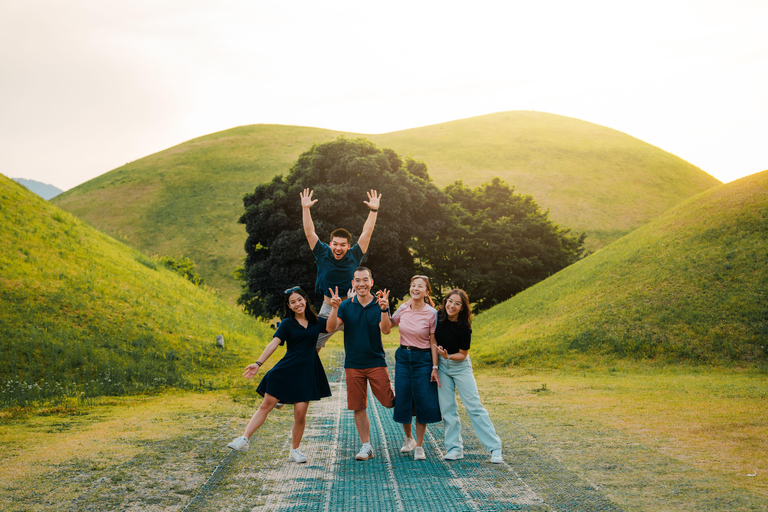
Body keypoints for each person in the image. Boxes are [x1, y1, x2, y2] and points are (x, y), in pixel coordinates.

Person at [227, 287, 332, 464]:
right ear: (289, 306)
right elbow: (274, 344)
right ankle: (244, 439)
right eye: (293, 302)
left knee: (300, 414)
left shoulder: (316, 321)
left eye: (299, 299)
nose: (297, 304)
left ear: (305, 300)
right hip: (285, 371)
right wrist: (258, 363)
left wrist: (335, 306)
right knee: (266, 405)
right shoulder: (286, 324)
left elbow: (332, 326)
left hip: (306, 374)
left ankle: (294, 451)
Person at [326, 267, 395, 461]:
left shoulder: (380, 304)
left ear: (371, 282)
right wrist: (334, 307)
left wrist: (383, 309)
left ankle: (409, 427)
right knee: (358, 406)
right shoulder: (346, 306)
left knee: (388, 401)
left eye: (365, 280)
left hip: (375, 362)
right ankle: (366, 446)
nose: (362, 283)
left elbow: (386, 330)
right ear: (353, 284)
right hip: (353, 364)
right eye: (358, 280)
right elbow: (330, 327)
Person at [301, 188, 381, 352]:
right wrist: (305, 208)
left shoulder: (355, 254)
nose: (338, 247)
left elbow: (367, 232)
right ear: (330, 244)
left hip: (351, 306)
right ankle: (308, 376)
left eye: (342, 244)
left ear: (348, 246)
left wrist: (373, 210)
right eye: (335, 244)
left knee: (364, 346)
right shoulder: (322, 252)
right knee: (311, 346)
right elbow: (309, 232)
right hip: (328, 308)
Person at [434, 289, 503, 464]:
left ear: (463, 308)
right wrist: (438, 362)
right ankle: (454, 449)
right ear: (445, 301)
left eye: (457, 303)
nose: (452, 306)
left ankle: (495, 448)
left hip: (460, 365)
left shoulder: (465, 327)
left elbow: (463, 355)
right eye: (450, 301)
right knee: (448, 408)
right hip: (442, 366)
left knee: (474, 406)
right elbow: (431, 338)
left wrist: (447, 356)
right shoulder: (437, 316)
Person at [383, 275, 442, 461]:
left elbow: (433, 341)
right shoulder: (403, 308)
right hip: (403, 357)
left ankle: (419, 445)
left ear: (426, 291)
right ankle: (408, 439)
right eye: (413, 285)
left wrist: (434, 366)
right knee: (403, 396)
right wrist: (384, 309)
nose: (415, 288)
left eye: (420, 286)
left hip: (423, 358)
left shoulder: (431, 313)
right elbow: (386, 328)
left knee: (423, 399)